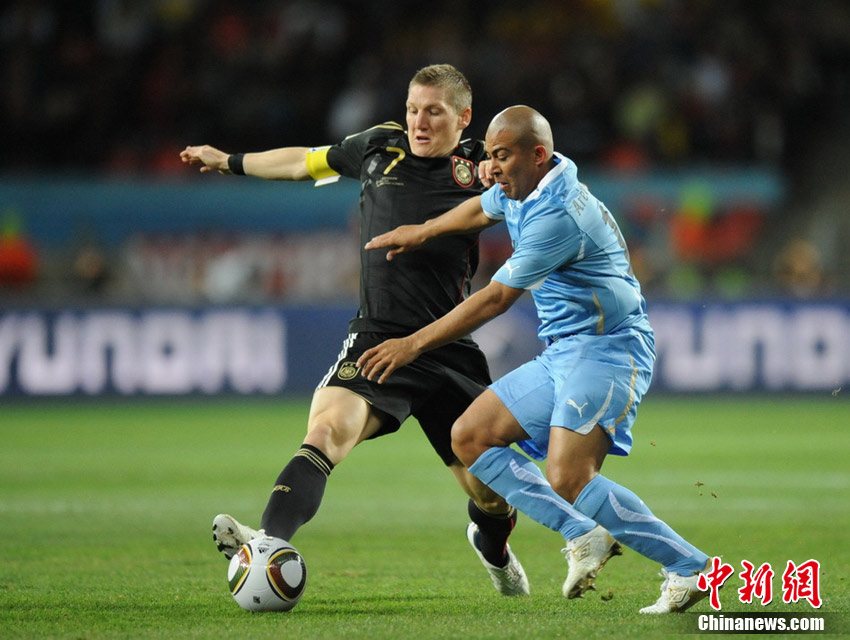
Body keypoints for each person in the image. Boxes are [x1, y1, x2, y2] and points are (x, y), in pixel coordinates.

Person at [179, 64, 529, 596]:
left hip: (447, 345)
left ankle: (493, 545)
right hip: (377, 338)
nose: (419, 122)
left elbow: (546, 186)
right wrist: (229, 161)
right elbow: (303, 161)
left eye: (434, 112)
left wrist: (506, 176)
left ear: (464, 118)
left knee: (491, 494)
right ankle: (268, 544)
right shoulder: (378, 146)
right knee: (324, 432)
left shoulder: (483, 164)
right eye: (413, 109)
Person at [358, 105, 712, 613]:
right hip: (564, 351)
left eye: (501, 155)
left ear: (538, 155)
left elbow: (496, 299)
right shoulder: (523, 186)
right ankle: (582, 533)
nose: (490, 166)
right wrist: (424, 230)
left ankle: (691, 567)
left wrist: (412, 344)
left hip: (609, 349)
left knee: (569, 476)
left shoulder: (558, 213)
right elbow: (481, 209)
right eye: (490, 154)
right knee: (471, 435)